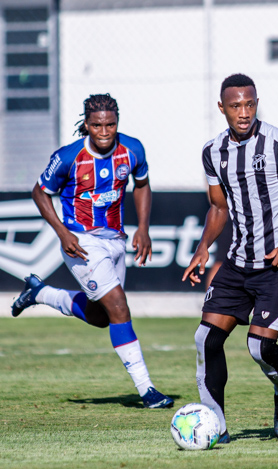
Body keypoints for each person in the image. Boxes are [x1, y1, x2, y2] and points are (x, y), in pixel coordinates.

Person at [182, 73, 278, 441]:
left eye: (250, 104)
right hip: (237, 263)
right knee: (206, 340)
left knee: (259, 348)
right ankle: (214, 424)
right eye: (236, 106)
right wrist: (202, 247)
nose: (244, 112)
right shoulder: (212, 152)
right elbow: (218, 208)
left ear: (256, 103)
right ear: (222, 108)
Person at [10, 93, 173, 409]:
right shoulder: (69, 157)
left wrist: (143, 228)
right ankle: (148, 390)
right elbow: (40, 192)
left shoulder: (132, 150)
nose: (104, 131)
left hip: (115, 240)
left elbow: (142, 185)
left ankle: (40, 293)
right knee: (119, 307)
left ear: (117, 123)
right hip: (81, 242)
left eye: (110, 125)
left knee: (103, 317)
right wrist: (62, 232)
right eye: (97, 125)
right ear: (86, 124)